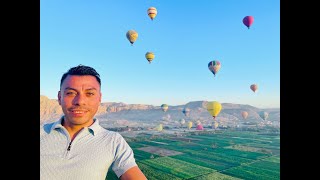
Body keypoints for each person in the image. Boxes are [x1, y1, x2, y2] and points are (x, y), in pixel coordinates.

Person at [40, 65, 147, 180]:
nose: (80, 101)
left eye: (89, 94)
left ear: (99, 98)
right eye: (71, 93)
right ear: (59, 97)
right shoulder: (41, 133)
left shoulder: (114, 141)